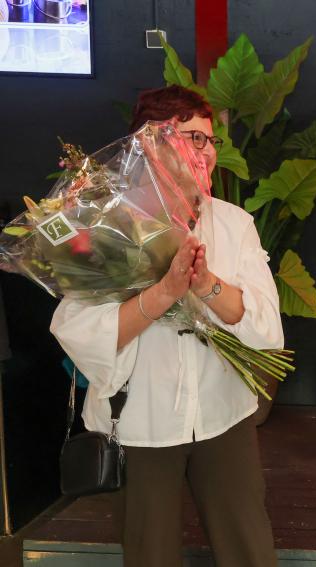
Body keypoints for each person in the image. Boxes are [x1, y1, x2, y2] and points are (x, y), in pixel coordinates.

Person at [51, 85, 283, 567]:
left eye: (211, 140)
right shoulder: (105, 226)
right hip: (140, 424)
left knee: (251, 552)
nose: (209, 152)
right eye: (194, 139)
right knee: (149, 555)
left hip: (225, 414)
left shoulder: (235, 223)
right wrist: (161, 295)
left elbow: (266, 333)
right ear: (150, 144)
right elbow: (76, 332)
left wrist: (205, 284)